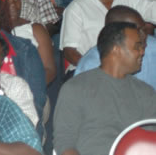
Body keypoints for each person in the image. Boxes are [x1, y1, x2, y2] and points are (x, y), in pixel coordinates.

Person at [54, 22, 156, 155]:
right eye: (137, 47)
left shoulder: (145, 92)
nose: (142, 52)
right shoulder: (76, 88)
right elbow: (64, 143)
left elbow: (150, 141)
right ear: (116, 49)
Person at [0, 0, 56, 85]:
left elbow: (49, 70)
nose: (13, 5)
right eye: (6, 0)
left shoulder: (36, 29)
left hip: (32, 91)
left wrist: (26, 91)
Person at [75, 5, 156, 89]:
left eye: (144, 29)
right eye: (137, 31)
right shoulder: (91, 65)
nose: (144, 35)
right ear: (114, 33)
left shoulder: (152, 47)